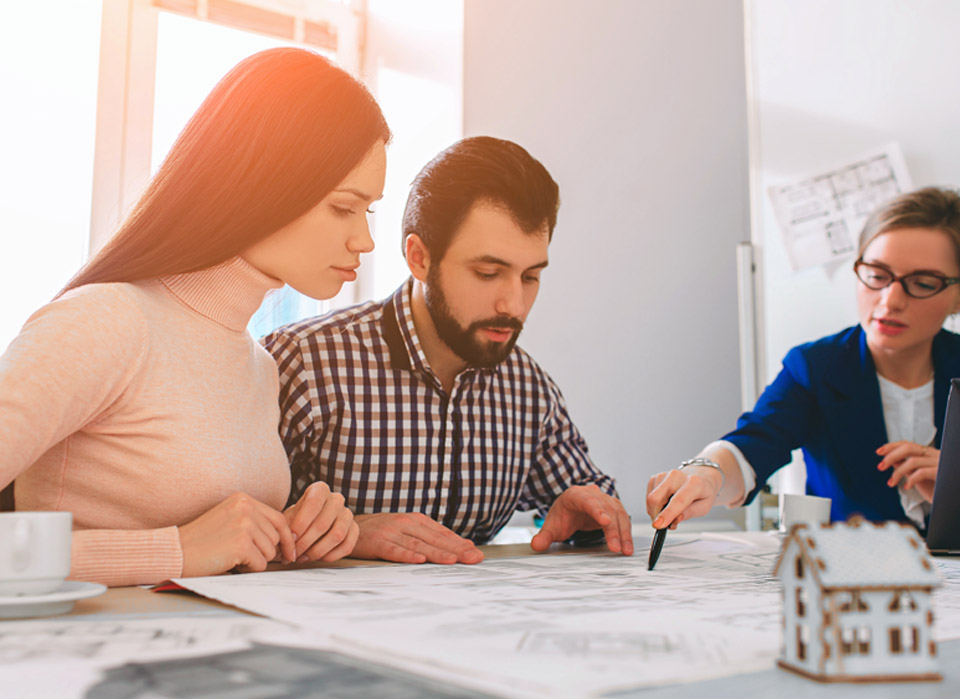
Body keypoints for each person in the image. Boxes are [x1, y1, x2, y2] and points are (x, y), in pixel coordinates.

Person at [0, 48, 390, 586]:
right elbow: (188, 548)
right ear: (264, 183)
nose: (364, 240)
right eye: (344, 207)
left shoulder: (258, 365)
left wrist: (290, 536)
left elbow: (217, 545)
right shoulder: (106, 322)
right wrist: (173, 551)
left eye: (369, 211)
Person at [263, 136, 633, 565]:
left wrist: (588, 515)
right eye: (487, 272)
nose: (513, 305)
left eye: (530, 277)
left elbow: (596, 503)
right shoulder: (304, 364)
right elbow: (222, 527)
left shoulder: (528, 390)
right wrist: (350, 534)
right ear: (419, 258)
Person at [647, 186, 960, 531]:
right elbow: (754, 442)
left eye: (923, 283)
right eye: (876, 275)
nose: (889, 301)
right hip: (855, 574)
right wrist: (706, 474)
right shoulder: (817, 367)